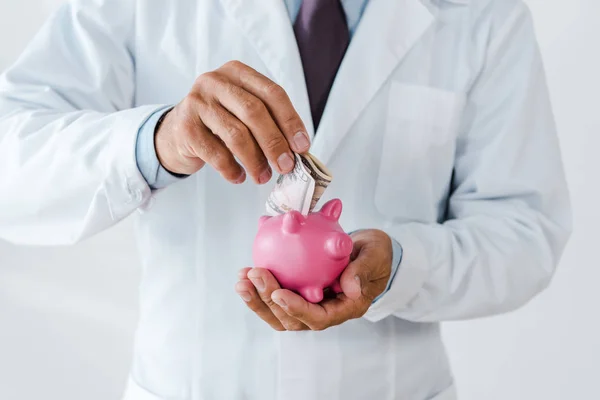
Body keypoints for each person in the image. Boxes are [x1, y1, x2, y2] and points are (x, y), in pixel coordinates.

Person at [0, 0, 572, 399]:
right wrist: (157, 140)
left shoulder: (487, 17)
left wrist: (402, 267)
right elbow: (12, 166)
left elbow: (525, 232)